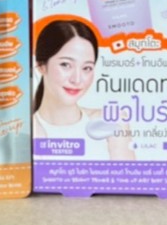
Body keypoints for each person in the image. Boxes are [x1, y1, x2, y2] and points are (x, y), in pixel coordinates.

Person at [32, 19, 135, 160]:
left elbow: (128, 174)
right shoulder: (26, 130)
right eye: (65, 65)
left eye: (87, 68)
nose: (77, 79)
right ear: (41, 65)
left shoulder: (112, 121)